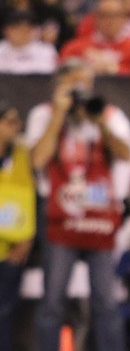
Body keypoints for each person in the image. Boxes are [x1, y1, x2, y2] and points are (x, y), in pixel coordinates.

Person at [25, 58, 130, 351]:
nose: (79, 90)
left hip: (98, 218)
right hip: (60, 217)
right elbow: (37, 160)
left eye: (83, 83)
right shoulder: (43, 114)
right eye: (71, 83)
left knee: (106, 302)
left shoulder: (108, 114)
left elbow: (126, 154)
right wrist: (59, 115)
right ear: (58, 86)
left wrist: (100, 122)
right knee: (53, 300)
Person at [0, 102, 36, 351]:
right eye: (10, 122)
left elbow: (27, 196)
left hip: (12, 247)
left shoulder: (21, 155)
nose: (17, 127)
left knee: (5, 312)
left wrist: (27, 238)